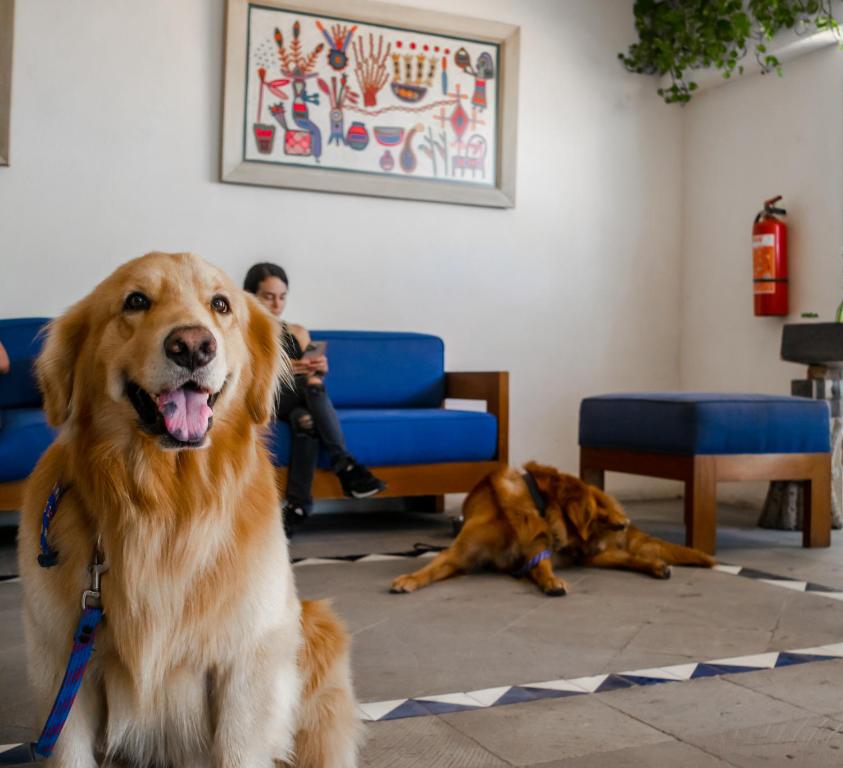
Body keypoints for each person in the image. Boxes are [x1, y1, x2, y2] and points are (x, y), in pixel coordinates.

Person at [243, 262, 386, 531]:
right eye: (269, 296)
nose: (277, 304)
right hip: (264, 398)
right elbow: (243, 379)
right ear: (250, 296)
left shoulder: (297, 332)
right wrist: (285, 370)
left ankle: (297, 507)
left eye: (282, 297)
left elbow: (314, 377)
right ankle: (344, 465)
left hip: (298, 400)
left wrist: (320, 368)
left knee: (305, 419)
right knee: (308, 387)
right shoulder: (242, 330)